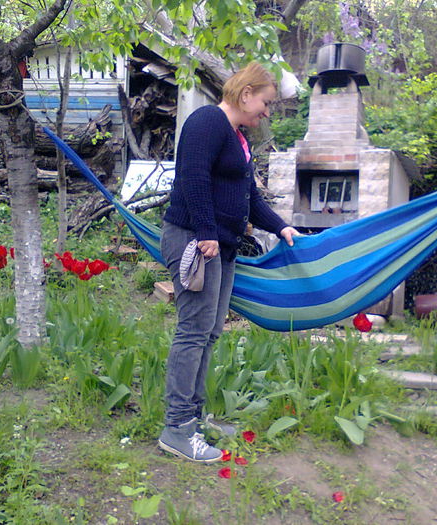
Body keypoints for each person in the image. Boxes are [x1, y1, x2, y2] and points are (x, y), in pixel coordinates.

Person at [158, 62, 300, 463]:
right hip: (195, 240)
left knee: (209, 333)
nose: (267, 112)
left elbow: (249, 195)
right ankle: (177, 428)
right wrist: (205, 233)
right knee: (193, 331)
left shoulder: (237, 138)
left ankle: (195, 416)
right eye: (266, 103)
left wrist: (281, 227)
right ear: (246, 94)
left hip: (220, 244)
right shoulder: (207, 121)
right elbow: (192, 177)